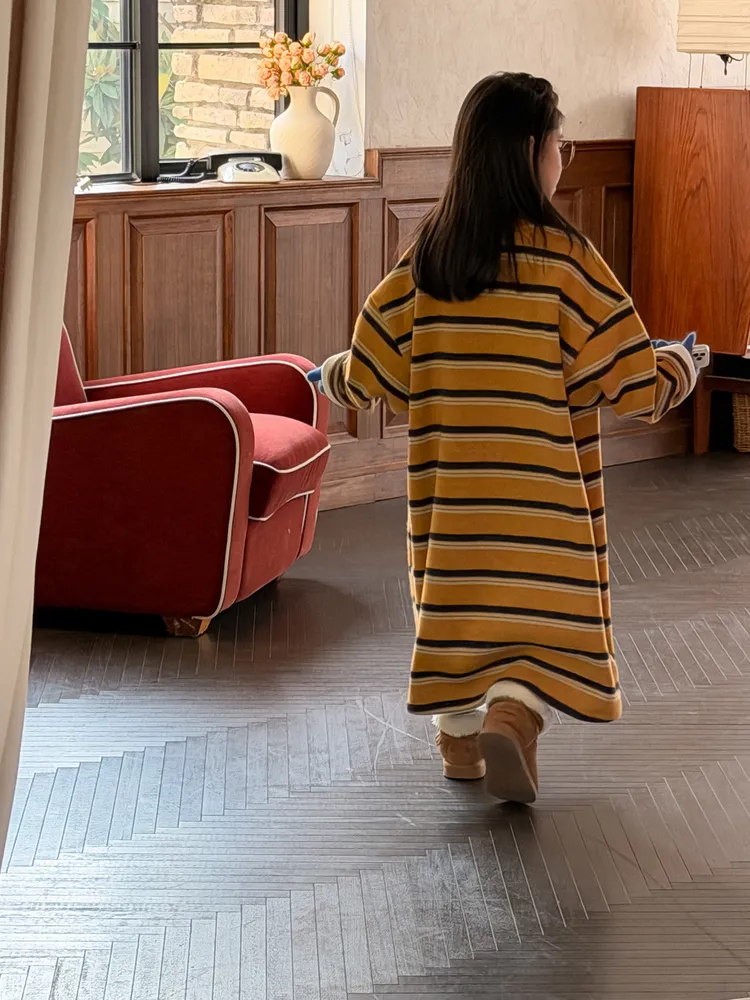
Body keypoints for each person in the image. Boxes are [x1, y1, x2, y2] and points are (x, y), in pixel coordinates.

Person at [308, 72, 698, 804]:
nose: (564, 158)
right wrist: (682, 363)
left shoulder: (430, 258)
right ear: (530, 151)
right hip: (544, 509)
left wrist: (328, 378)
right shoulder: (566, 261)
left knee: (458, 618)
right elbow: (635, 384)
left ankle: (460, 743)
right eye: (560, 145)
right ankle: (515, 715)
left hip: (452, 507)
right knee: (534, 623)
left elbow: (369, 370)